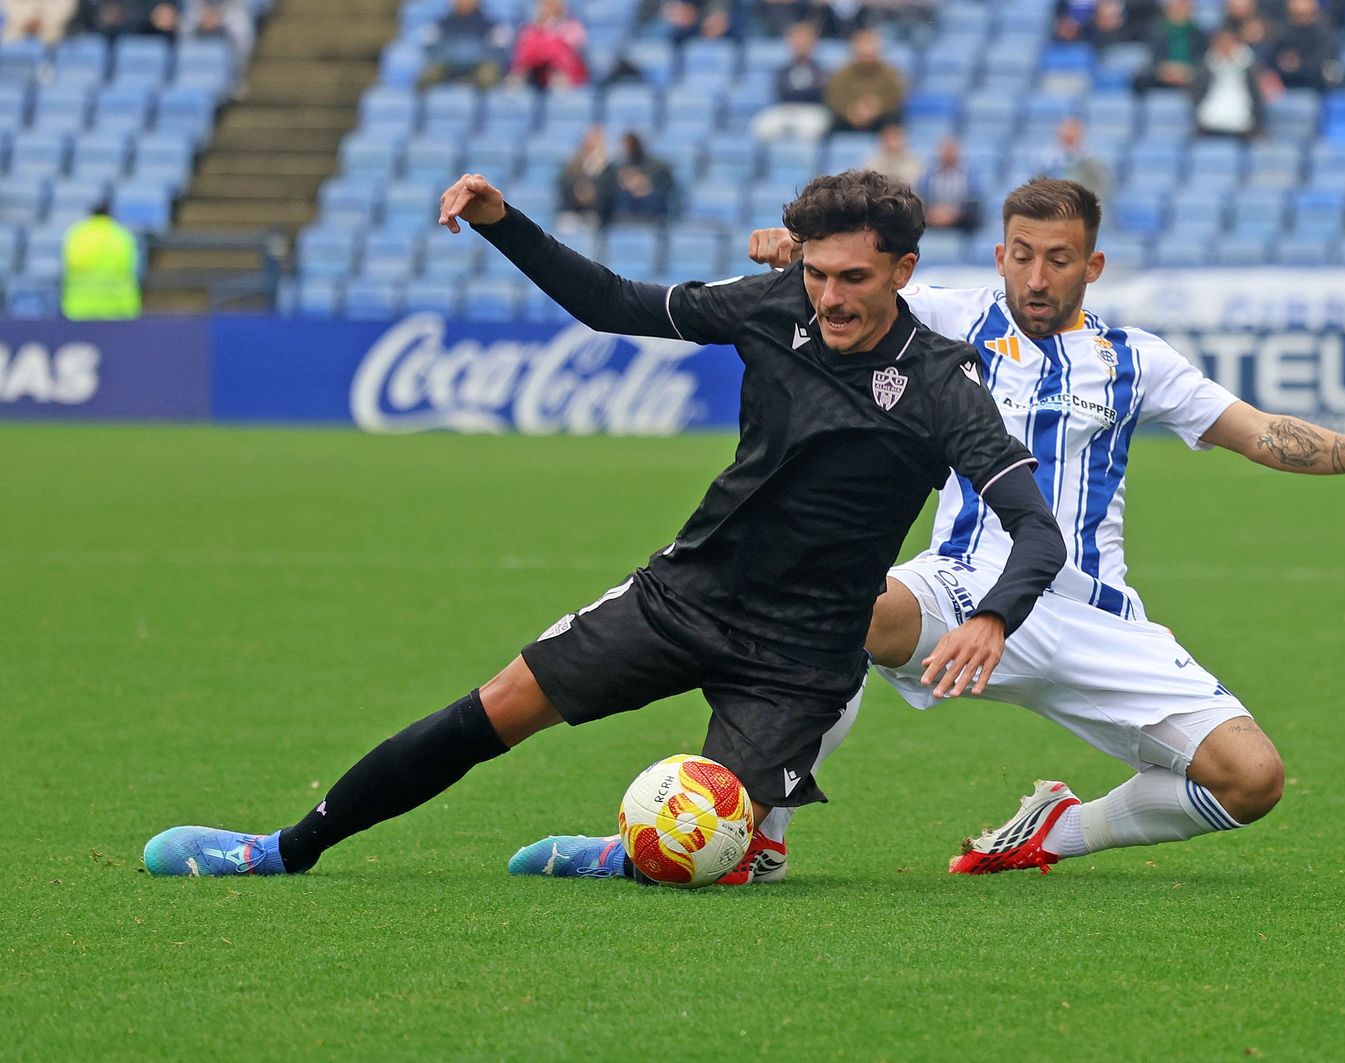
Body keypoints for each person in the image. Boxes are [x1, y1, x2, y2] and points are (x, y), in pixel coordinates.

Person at [520, 178, 1345, 884]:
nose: (1035, 271)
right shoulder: (943, 316)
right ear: (998, 255)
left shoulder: (1138, 361)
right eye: (1020, 252)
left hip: (1091, 614)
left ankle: (1057, 830)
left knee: (1252, 780)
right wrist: (790, 252)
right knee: (838, 611)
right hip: (959, 584)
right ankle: (745, 825)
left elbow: (1263, 435)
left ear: (1090, 264)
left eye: (1057, 256)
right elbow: (832, 289)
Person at [139, 169, 1067, 880]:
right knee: (495, 707)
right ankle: (282, 848)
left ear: (904, 272)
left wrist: (989, 617)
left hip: (802, 654)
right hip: (688, 592)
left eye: (854, 278)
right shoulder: (774, 305)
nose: (829, 297)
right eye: (817, 273)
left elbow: (1037, 532)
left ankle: (637, 850)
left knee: (720, 846)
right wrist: (505, 224)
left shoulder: (946, 385)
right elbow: (612, 304)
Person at [750, 20, 833, 143]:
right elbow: (781, 92)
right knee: (761, 127)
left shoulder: (821, 71)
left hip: (812, 111)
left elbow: (819, 93)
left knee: (810, 130)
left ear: (813, 44)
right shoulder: (783, 70)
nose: (800, 45)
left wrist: (797, 93)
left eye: (805, 41)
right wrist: (804, 93)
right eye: (796, 41)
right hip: (786, 109)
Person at [61, 202, 141, 320]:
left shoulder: (77, 234)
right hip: (117, 305)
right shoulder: (122, 235)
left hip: (81, 305)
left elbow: (70, 263)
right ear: (109, 215)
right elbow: (133, 266)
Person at [824, 26, 904, 133]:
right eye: (863, 55)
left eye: (870, 55)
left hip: (880, 118)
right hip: (848, 118)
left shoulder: (890, 74)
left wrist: (876, 107)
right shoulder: (841, 74)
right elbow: (833, 97)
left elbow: (896, 96)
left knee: (894, 119)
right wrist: (851, 110)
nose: (866, 58)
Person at [420, 0, 509, 89]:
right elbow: (431, 49)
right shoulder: (441, 25)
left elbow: (498, 52)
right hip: (448, 64)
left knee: (488, 74)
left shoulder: (489, 25)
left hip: (479, 64)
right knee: (428, 75)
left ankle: (484, 101)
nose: (463, 2)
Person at [1194, 28, 1266, 137]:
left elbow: (1257, 96)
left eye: (1229, 44)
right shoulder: (1205, 68)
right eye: (1222, 44)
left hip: (1244, 125)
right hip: (1209, 123)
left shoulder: (1251, 68)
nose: (1226, 48)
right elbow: (1196, 93)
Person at [597, 131, 676, 224]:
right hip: (623, 217)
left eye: (631, 145)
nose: (628, 148)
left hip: (652, 216)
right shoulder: (617, 169)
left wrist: (644, 185)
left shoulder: (658, 167)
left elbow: (667, 187)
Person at [508, 0, 587, 90]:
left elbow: (575, 43)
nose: (548, 8)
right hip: (535, 68)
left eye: (552, 4)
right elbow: (524, 41)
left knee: (555, 46)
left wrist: (553, 32)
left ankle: (560, 86)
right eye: (545, 5)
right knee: (532, 43)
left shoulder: (572, 25)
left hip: (565, 68)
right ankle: (516, 83)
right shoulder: (530, 28)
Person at [1137, 0, 1209, 91]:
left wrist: (1187, 72)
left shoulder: (1200, 34)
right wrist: (1166, 70)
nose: (1182, 9)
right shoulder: (1155, 31)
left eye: (1186, 5)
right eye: (1179, 5)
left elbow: (1202, 60)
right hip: (1160, 79)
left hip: (1192, 81)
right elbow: (1152, 59)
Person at [1267, 0, 1336, 92]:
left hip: (1314, 87)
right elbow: (1269, 62)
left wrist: (1299, 65)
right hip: (1281, 87)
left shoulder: (1323, 34)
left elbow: (1322, 64)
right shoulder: (1279, 33)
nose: (1301, 5)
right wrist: (1284, 64)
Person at [918, 136, 981, 233]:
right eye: (945, 150)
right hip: (932, 218)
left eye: (951, 151)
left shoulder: (969, 176)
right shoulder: (928, 175)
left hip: (960, 221)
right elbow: (921, 197)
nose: (948, 154)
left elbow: (974, 201)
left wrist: (954, 214)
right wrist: (933, 213)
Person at [556, 126, 610, 225]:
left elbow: (609, 193)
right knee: (566, 223)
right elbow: (563, 186)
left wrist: (595, 170)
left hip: (597, 214)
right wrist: (577, 193)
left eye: (596, 146)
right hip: (572, 211)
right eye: (589, 145)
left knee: (591, 220)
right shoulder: (573, 165)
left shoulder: (609, 168)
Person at [2, 0, 75, 43]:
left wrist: (43, 20)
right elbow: (10, 6)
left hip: (51, 31)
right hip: (18, 30)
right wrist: (27, 19)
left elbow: (66, 6)